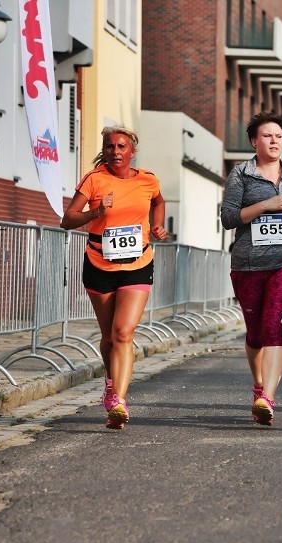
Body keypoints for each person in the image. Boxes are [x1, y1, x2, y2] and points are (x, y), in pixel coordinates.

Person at [61, 125, 168, 429]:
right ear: (104, 150)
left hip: (138, 262)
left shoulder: (148, 179)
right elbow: (67, 220)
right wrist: (95, 212)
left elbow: (158, 201)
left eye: (121, 147)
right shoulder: (94, 180)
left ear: (132, 151)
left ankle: (119, 400)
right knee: (108, 336)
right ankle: (110, 383)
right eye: (110, 147)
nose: (115, 152)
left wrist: (157, 225)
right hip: (99, 264)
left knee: (123, 333)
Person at [220, 112, 282, 426]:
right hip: (247, 264)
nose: (274, 141)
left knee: (273, 328)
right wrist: (264, 206)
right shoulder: (241, 175)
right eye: (267, 136)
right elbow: (229, 218)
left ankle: (267, 398)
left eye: (279, 136)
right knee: (256, 333)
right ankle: (259, 386)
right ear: (253, 141)